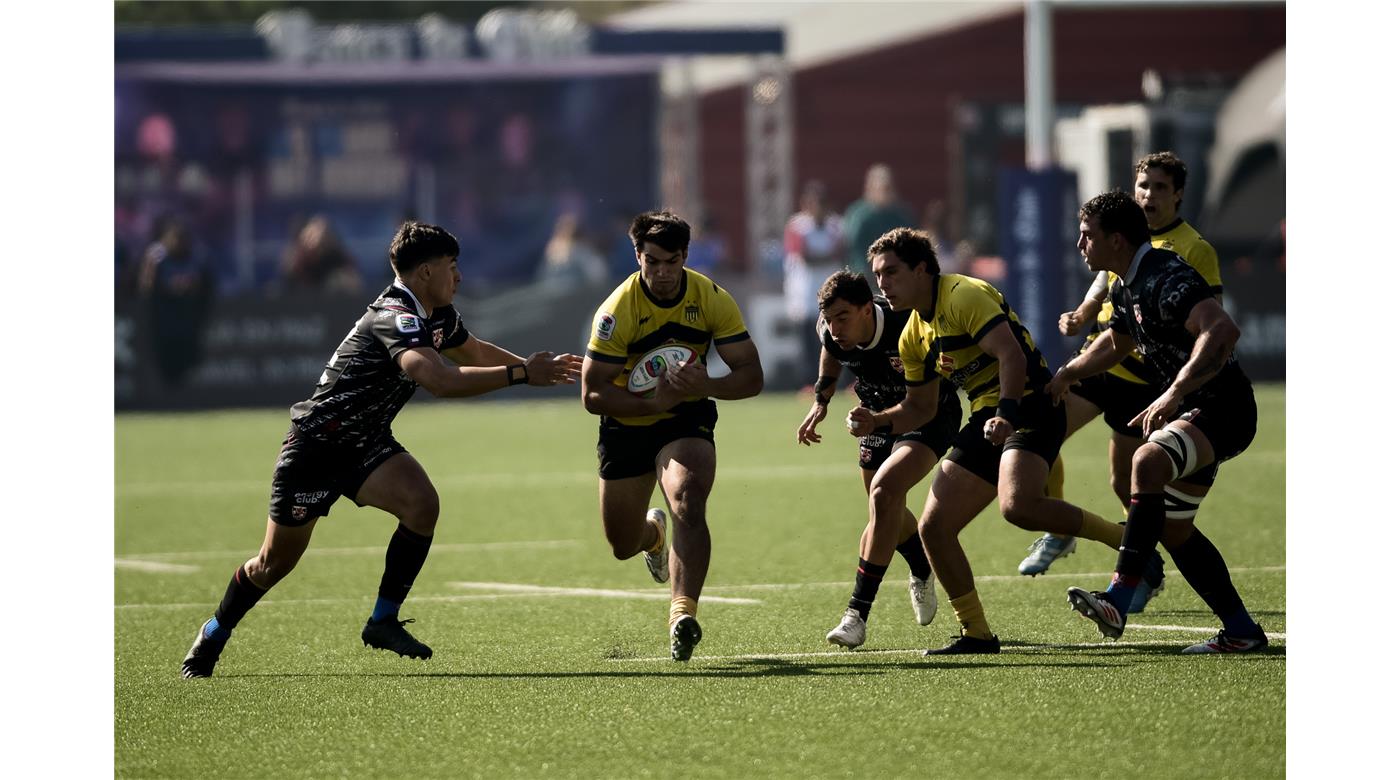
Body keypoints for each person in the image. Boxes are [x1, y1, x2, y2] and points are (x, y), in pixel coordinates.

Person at [180, 222, 583, 678]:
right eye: (453, 268)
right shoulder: (396, 315)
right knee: (272, 564)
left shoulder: (437, 313)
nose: (460, 277)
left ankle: (383, 621)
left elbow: (471, 352)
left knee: (421, 504)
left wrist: (547, 369)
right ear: (426, 272)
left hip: (365, 444)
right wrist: (523, 375)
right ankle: (214, 632)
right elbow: (438, 379)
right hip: (316, 447)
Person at [851, 227, 1156, 655]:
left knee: (1017, 507)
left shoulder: (963, 295)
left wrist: (1007, 413)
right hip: (987, 418)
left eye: (891, 272)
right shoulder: (913, 333)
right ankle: (976, 634)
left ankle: (1129, 545)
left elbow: (1010, 354)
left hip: (1032, 404)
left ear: (922, 270)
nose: (882, 284)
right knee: (935, 529)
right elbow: (918, 409)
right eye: (877, 275)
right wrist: (877, 421)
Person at [1052, 191, 1268, 654]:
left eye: (1087, 235)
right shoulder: (1122, 284)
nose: (1079, 244)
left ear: (1116, 239)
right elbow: (1118, 342)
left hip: (1223, 407)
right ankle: (1242, 630)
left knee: (1146, 462)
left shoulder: (1166, 275)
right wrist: (1070, 371)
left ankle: (1118, 598)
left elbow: (1223, 330)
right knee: (1173, 528)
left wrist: (1173, 392)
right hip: (1200, 409)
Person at [1019, 152, 1223, 598]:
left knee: (1123, 481)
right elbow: (1106, 279)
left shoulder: (1192, 249)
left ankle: (1140, 567)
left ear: (1179, 194)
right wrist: (1084, 313)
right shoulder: (1121, 240)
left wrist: (1178, 383)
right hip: (1101, 362)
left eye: (1160, 187)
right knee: (1041, 427)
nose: (1149, 195)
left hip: (1146, 381)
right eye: (1143, 186)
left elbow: (1213, 323)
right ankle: (1056, 525)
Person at [581, 211, 764, 661]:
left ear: (685, 256)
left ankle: (683, 613)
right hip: (627, 422)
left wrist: (707, 386)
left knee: (687, 496)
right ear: (637, 256)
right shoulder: (617, 310)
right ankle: (652, 537)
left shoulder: (712, 298)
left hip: (685, 416)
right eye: (652, 261)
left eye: (672, 261)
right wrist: (648, 405)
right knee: (622, 544)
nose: (662, 272)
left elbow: (751, 375)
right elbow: (592, 393)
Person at [796, 270, 962, 649]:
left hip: (929, 415)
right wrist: (821, 402)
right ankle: (922, 568)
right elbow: (831, 352)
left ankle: (856, 615)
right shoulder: (831, 330)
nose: (835, 328)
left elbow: (925, 399)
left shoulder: (906, 323)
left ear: (868, 310)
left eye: (843, 318)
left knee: (885, 494)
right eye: (829, 319)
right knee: (882, 502)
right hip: (875, 415)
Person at [137, 217, 212, 388]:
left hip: (188, 322)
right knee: (164, 364)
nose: (180, 242)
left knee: (188, 364)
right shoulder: (157, 259)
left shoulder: (196, 258)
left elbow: (205, 287)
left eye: (183, 238)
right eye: (176, 237)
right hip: (163, 322)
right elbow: (146, 290)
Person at [784, 181, 845, 375]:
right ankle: (809, 380)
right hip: (805, 290)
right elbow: (803, 255)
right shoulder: (797, 226)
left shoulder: (836, 225)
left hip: (831, 287)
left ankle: (838, 379)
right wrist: (823, 256)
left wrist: (819, 256)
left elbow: (839, 251)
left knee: (835, 336)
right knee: (808, 339)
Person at [842, 164, 914, 276]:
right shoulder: (859, 216)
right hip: (865, 275)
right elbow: (854, 247)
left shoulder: (900, 215)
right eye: (883, 189)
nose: (886, 193)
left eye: (889, 188)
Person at [280, 215, 363, 294]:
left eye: (319, 234)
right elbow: (289, 277)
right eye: (311, 234)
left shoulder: (336, 255)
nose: (315, 239)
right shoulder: (297, 257)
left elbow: (353, 279)